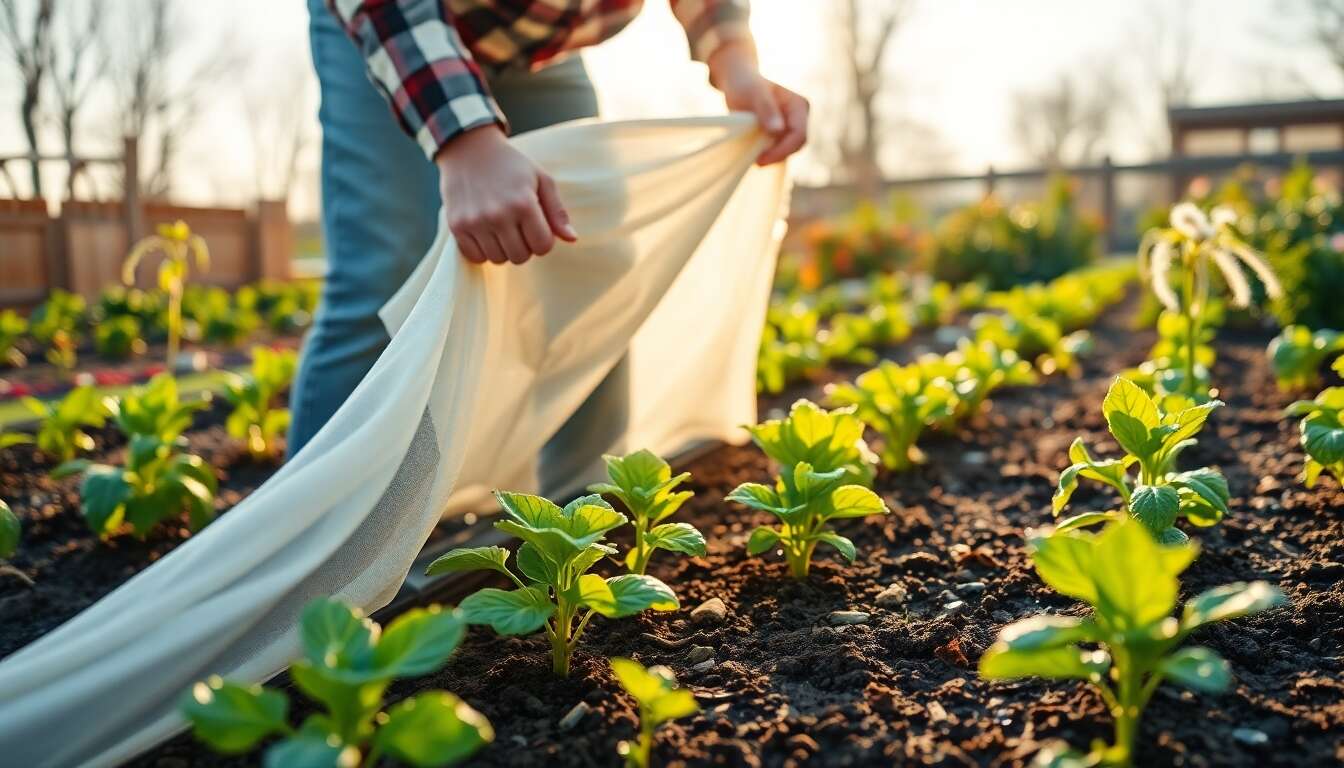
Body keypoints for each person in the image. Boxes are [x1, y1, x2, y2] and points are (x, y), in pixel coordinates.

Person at [290, 0, 810, 460]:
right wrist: (465, 140)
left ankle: (580, 521)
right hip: (394, 24)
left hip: (539, 46)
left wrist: (735, 60)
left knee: (592, 260)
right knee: (386, 270)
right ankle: (312, 551)